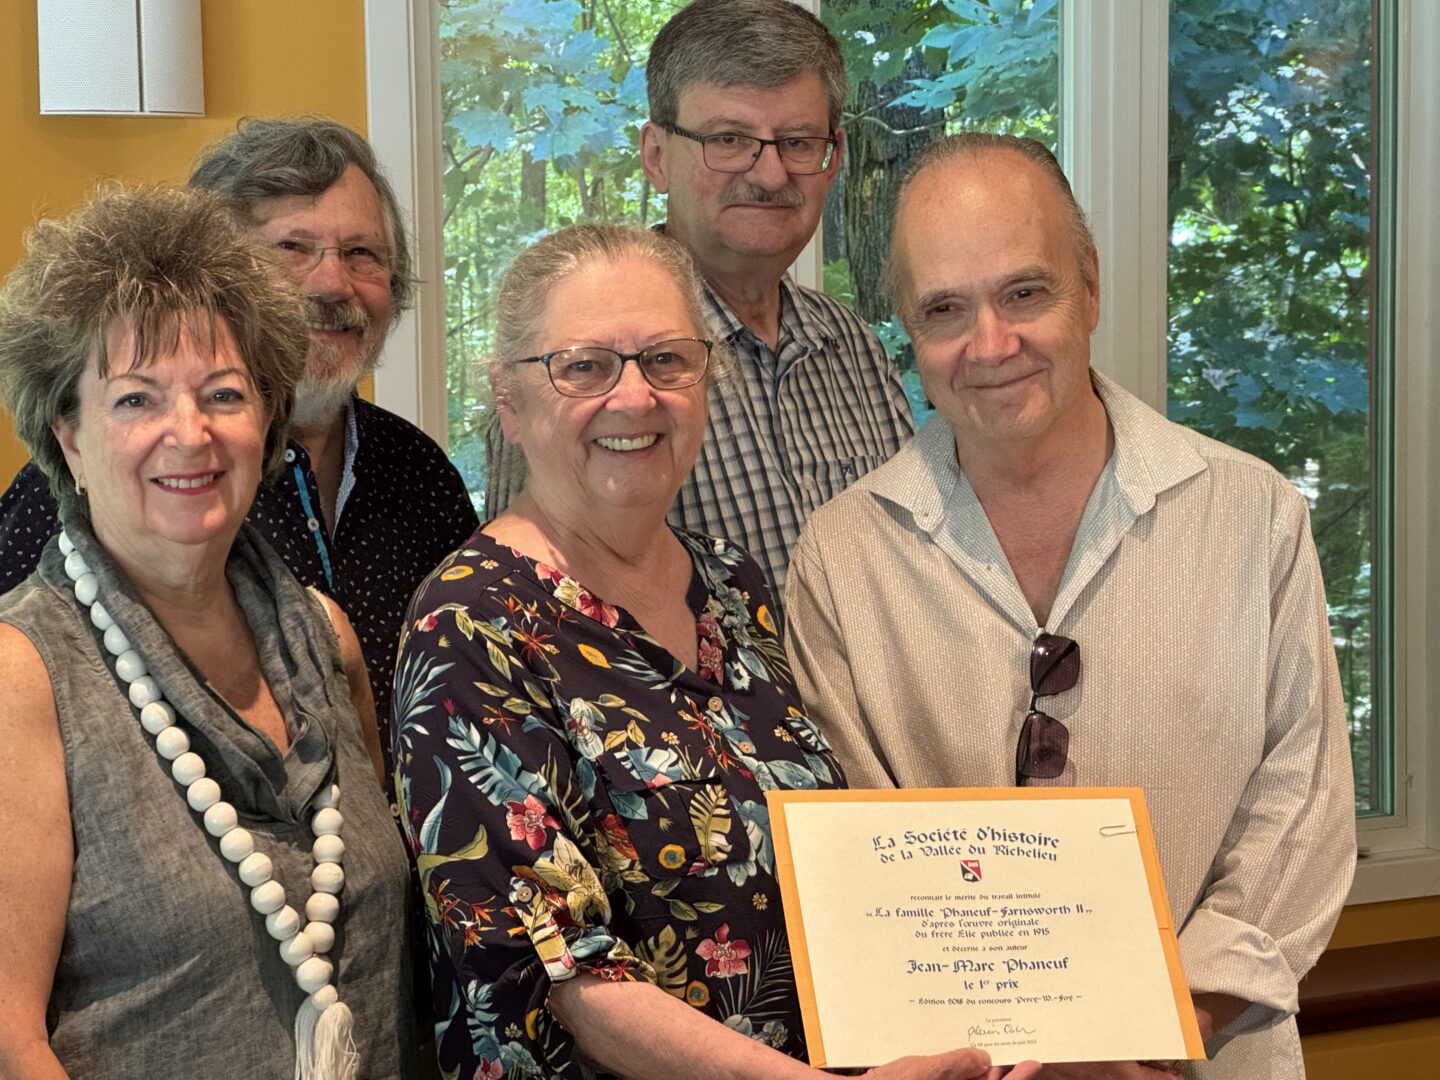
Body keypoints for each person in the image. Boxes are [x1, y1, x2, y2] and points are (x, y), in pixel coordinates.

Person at [395, 224, 1036, 1080]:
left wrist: (991, 1023)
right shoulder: (470, 623)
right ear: (510, 404)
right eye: (584, 366)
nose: (634, 397)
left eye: (667, 361)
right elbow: (561, 969)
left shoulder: (735, 588)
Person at [784, 134, 1356, 1079]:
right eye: (944, 310)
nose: (991, 345)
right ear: (905, 329)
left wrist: (1169, 1027)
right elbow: (860, 847)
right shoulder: (843, 557)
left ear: (1088, 285)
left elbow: (1298, 808)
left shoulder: (1252, 516)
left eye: (1025, 293)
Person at [0, 186, 416, 1077]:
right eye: (137, 401)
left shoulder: (326, 639)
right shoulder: (21, 679)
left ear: (266, 417)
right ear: (68, 433)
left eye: (223, 394)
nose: (188, 434)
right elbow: (9, 1042)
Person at [0, 117, 478, 753]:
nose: (334, 285)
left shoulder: (420, 470)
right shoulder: (98, 481)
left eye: (361, 253)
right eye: (292, 247)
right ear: (219, 283)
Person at [486, 0, 914, 607]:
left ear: (833, 156)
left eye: (796, 142)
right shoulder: (572, 367)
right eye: (729, 139)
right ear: (657, 156)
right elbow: (520, 603)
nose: (769, 175)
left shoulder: (854, 350)